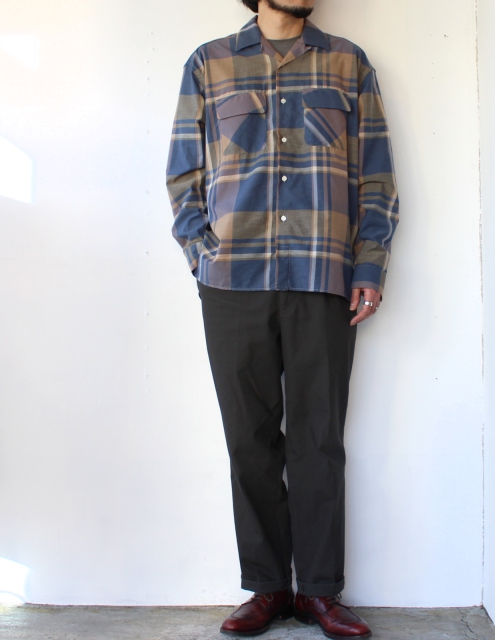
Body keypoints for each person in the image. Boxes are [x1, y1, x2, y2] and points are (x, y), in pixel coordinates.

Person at [166, 0, 399, 636]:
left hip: (323, 276)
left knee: (319, 439)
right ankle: (267, 587)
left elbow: (377, 178)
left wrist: (369, 265)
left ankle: (319, 592)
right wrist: (203, 257)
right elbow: (184, 176)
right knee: (249, 439)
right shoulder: (209, 64)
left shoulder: (349, 63)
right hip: (232, 281)